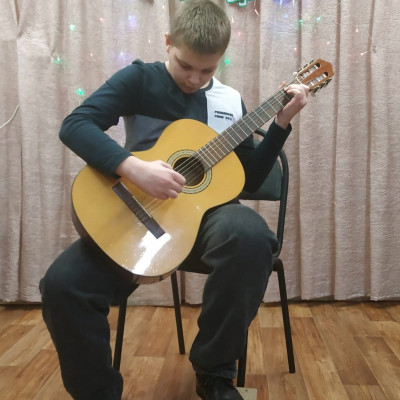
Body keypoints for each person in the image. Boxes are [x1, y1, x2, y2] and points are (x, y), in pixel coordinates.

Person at [39, 1, 309, 399]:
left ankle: (214, 373)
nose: (195, 79)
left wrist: (280, 124)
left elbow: (249, 179)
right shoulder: (139, 80)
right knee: (62, 285)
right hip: (139, 214)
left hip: (207, 221)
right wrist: (133, 168)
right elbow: (76, 125)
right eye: (185, 66)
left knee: (251, 237)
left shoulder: (227, 101)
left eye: (207, 70)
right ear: (168, 43)